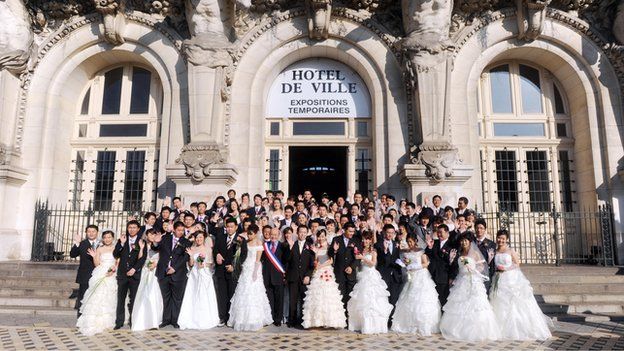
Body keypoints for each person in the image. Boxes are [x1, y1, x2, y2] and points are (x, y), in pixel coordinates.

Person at [490, 230, 552, 340]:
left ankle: (519, 329)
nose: (501, 240)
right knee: (500, 302)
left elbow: (517, 264)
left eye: (503, 238)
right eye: (499, 238)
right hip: (498, 279)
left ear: (507, 239)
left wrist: (506, 268)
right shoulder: (495, 251)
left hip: (511, 279)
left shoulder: (510, 251)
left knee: (515, 303)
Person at [439, 234, 500, 341]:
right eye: (462, 241)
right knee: (460, 303)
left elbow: (482, 266)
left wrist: (474, 270)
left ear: (470, 242)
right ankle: (457, 329)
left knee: (475, 303)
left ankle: (477, 329)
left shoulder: (475, 253)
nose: (463, 243)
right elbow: (458, 267)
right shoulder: (460, 253)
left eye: (466, 241)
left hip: (473, 280)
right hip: (461, 280)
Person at [391, 235, 441, 336]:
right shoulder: (405, 252)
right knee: (408, 298)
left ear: (415, 241)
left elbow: (425, 263)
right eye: (408, 241)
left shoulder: (421, 251)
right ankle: (410, 323)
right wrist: (405, 265)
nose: (409, 244)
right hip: (410, 276)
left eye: (411, 241)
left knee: (421, 299)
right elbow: (405, 262)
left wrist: (415, 266)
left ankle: (422, 324)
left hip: (421, 276)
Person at [227, 224, 273, 331]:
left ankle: (255, 319)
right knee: (242, 291)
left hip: (253, 269)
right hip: (245, 268)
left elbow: (258, 260)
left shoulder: (259, 243)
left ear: (256, 233)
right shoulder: (245, 243)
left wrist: (255, 272)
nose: (249, 235)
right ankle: (241, 319)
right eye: (248, 233)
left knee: (254, 292)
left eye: (251, 234)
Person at [347, 231, 393, 334]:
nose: (366, 241)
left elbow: (373, 263)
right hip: (361, 275)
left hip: (371, 276)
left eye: (368, 239)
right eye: (364, 239)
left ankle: (374, 325)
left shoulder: (373, 251)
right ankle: (362, 323)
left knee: (372, 300)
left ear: (371, 240)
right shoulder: (359, 250)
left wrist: (362, 257)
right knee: (361, 300)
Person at [301, 229, 346, 329]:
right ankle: (318, 321)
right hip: (317, 272)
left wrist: (320, 266)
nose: (321, 238)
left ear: (325, 236)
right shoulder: (316, 247)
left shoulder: (329, 247)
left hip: (326, 271)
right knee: (317, 295)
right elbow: (315, 261)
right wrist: (315, 261)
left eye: (322, 236)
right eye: (319, 236)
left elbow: (331, 261)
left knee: (328, 295)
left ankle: (329, 320)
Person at [76, 230, 118, 336]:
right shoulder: (99, 248)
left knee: (109, 296)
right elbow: (97, 264)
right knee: (97, 296)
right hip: (101, 272)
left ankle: (108, 321)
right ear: (102, 238)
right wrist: (95, 256)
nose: (107, 239)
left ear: (112, 238)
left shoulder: (116, 248)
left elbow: (118, 261)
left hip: (112, 272)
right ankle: (94, 321)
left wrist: (113, 269)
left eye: (109, 237)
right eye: (105, 237)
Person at [153, 221, 192, 328]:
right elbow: (156, 248)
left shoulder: (186, 242)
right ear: (174, 229)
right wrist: (155, 242)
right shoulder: (165, 238)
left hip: (178, 273)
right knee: (165, 297)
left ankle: (175, 319)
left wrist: (174, 268)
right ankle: (166, 319)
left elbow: (185, 257)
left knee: (177, 298)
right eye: (178, 230)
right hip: (163, 272)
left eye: (182, 230)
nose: (180, 232)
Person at [178, 231, 220, 330]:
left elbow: (211, 263)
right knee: (192, 294)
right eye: (197, 237)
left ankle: (205, 318)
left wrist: (203, 263)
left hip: (205, 273)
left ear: (204, 238)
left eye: (201, 237)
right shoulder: (192, 248)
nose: (199, 239)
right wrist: (191, 255)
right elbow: (191, 264)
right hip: (195, 274)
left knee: (204, 294)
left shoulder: (208, 249)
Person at [213, 217, 248, 325]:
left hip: (233, 272)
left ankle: (231, 317)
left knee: (232, 295)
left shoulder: (241, 240)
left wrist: (235, 267)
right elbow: (215, 250)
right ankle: (222, 317)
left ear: (236, 227)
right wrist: (217, 255)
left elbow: (243, 256)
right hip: (221, 271)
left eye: (231, 227)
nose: (229, 229)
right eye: (227, 227)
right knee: (222, 295)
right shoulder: (220, 237)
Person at [113, 220, 145, 330]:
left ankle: (133, 321)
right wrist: (121, 244)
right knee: (121, 299)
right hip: (122, 274)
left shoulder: (142, 242)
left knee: (133, 299)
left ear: (138, 229)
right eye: (130, 227)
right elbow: (115, 254)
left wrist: (134, 269)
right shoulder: (122, 240)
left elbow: (142, 259)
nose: (132, 229)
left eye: (134, 227)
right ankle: (119, 322)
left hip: (134, 275)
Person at [131, 229, 163, 331]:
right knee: (143, 293)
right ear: (147, 235)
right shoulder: (142, 244)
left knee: (153, 293)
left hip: (155, 271)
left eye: (154, 234)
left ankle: (154, 320)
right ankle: (143, 318)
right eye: (150, 234)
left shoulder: (159, 245)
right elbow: (140, 259)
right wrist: (141, 249)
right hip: (145, 270)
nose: (152, 236)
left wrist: (156, 263)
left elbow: (163, 257)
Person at [285, 225, 316, 328]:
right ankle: (291, 321)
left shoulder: (310, 246)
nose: (302, 234)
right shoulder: (291, 244)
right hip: (293, 276)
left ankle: (303, 321)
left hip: (304, 278)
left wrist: (308, 275)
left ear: (307, 233)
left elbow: (312, 264)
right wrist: (289, 248)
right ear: (297, 233)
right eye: (300, 232)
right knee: (292, 300)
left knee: (304, 300)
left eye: (304, 232)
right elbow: (287, 260)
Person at [327, 222, 361, 311]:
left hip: (351, 273)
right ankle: (341, 317)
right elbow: (330, 254)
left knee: (350, 296)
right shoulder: (336, 239)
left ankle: (349, 317)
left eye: (353, 231)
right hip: (339, 272)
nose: (351, 233)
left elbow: (358, 257)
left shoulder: (356, 241)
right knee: (340, 296)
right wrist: (334, 251)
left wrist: (351, 267)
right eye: (350, 231)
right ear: (344, 230)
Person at [261, 227, 288, 326]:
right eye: (272, 234)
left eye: (275, 235)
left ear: (279, 236)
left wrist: (285, 274)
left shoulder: (283, 246)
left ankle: (278, 319)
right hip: (267, 276)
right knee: (269, 299)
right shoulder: (265, 246)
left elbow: (286, 261)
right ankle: (270, 318)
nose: (273, 236)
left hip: (279, 276)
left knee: (279, 299)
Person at [70, 224, 99, 317]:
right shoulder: (82, 243)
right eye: (89, 231)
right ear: (86, 233)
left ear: (97, 232)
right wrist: (77, 243)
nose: (91, 233)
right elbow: (73, 254)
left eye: (93, 231)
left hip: (98, 273)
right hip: (84, 274)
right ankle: (81, 316)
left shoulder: (101, 243)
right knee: (83, 296)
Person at [425, 224, 456, 306]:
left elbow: (454, 263)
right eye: (438, 232)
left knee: (443, 299)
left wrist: (452, 277)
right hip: (433, 275)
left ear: (447, 232)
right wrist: (429, 247)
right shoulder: (434, 243)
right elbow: (426, 256)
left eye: (441, 232)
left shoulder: (452, 244)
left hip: (444, 276)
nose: (439, 234)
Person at [375, 224, 403, 313]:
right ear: (384, 232)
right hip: (384, 273)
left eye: (392, 233)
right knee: (383, 296)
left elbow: (397, 257)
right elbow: (381, 259)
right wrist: (385, 251)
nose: (390, 235)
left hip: (395, 274)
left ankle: (391, 319)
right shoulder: (378, 244)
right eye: (388, 232)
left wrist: (402, 262)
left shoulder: (396, 244)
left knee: (394, 297)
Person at [474, 219, 496, 293]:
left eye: (481, 228)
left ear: (485, 230)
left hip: (485, 275)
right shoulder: (471, 242)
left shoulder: (491, 244)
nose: (479, 230)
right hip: (473, 274)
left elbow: (493, 262)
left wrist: (492, 276)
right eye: (477, 228)